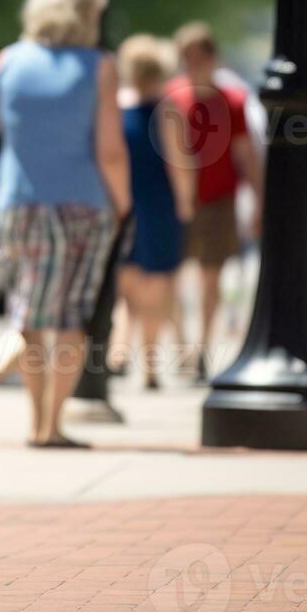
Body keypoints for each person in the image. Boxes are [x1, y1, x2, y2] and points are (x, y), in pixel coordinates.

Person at [0, 0, 130, 448]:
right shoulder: (100, 66)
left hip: (18, 206)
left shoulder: (9, 61)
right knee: (65, 319)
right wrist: (125, 205)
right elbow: (110, 150)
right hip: (82, 208)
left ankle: (40, 428)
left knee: (30, 310)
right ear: (89, 12)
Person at [166, 22, 262, 382]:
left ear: (212, 58)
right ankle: (180, 346)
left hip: (219, 200)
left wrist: (259, 197)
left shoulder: (232, 101)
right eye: (186, 56)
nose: (192, 63)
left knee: (211, 279)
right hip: (176, 202)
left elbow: (245, 153)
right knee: (171, 276)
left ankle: (202, 349)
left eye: (198, 55)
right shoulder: (172, 96)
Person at [108, 35, 194, 390]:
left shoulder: (114, 107)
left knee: (127, 283)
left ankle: (120, 351)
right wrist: (186, 204)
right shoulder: (167, 111)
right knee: (158, 285)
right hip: (158, 204)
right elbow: (180, 165)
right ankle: (149, 366)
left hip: (122, 203)